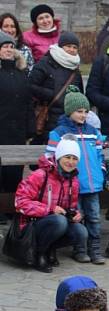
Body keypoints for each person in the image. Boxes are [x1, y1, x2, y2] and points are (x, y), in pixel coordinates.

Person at [46, 90, 106, 265]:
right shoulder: (59, 133)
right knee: (76, 218)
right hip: (73, 185)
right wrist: (62, 178)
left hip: (93, 184)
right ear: (69, 111)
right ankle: (79, 249)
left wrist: (100, 172)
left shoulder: (93, 132)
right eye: (79, 111)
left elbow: (100, 155)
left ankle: (95, 250)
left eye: (86, 111)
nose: (83, 115)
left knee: (94, 218)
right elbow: (51, 158)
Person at [15, 138, 88, 272]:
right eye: (67, 157)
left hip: (54, 222)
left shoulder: (74, 180)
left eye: (74, 158)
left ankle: (50, 248)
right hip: (31, 224)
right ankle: (39, 253)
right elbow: (20, 202)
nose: (71, 162)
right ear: (59, 156)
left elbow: (71, 207)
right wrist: (49, 210)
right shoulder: (40, 175)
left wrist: (76, 214)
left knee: (81, 232)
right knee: (59, 221)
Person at [29, 32, 84, 142]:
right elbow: (30, 86)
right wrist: (51, 94)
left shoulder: (75, 69)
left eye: (75, 47)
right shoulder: (45, 63)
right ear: (60, 46)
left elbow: (80, 93)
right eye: (68, 46)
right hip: (47, 117)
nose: (72, 50)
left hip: (70, 120)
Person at [0, 32, 34, 194]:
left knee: (14, 173)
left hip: (18, 132)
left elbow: (28, 103)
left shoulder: (21, 74)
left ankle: (12, 209)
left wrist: (30, 129)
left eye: (11, 47)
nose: (8, 50)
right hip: (1, 130)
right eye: (5, 46)